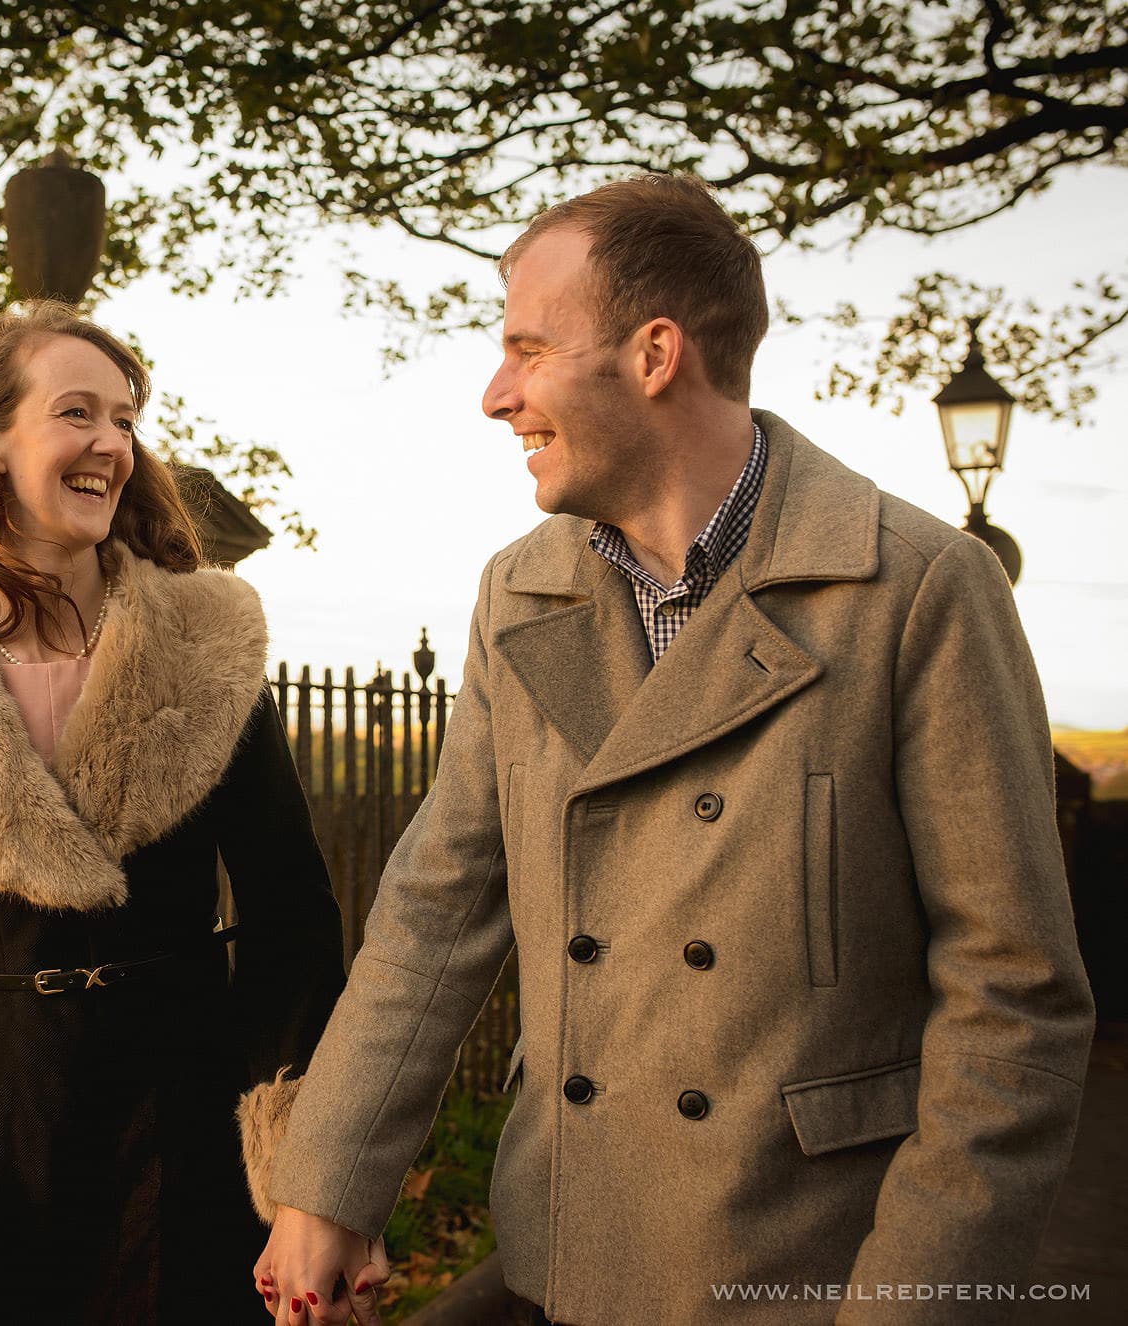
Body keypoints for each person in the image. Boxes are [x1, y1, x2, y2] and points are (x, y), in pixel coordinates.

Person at [256, 174, 1095, 1324]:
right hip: (566, 1250)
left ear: (653, 355)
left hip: (807, 1272)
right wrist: (327, 1185)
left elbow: (1010, 1001)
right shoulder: (517, 591)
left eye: (527, 349)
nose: (494, 395)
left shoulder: (911, 588)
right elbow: (436, 907)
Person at [0, 300, 353, 1326]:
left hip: (188, 1109)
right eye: (78, 413)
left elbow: (290, 915)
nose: (113, 443)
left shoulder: (203, 640)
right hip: (1, 1114)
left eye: (127, 419)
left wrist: (305, 1183)